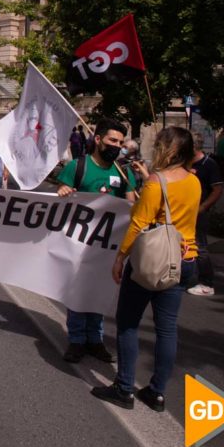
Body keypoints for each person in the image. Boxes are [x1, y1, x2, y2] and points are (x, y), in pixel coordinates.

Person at [91, 127, 200, 412]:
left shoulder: (156, 182)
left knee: (128, 323)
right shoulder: (194, 181)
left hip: (152, 260)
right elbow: (174, 213)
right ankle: (156, 392)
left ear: (171, 151)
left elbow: (139, 223)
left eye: (160, 145)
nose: (156, 149)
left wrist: (120, 258)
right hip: (184, 260)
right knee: (167, 329)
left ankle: (124, 387)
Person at [56, 118, 137, 365]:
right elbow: (59, 200)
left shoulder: (123, 171)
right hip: (79, 243)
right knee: (78, 290)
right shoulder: (77, 167)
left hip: (108, 245)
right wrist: (63, 193)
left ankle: (95, 339)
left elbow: (131, 204)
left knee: (100, 291)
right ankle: (77, 340)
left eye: (121, 142)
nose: (117, 146)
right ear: (98, 139)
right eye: (113, 140)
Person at [187, 132, 223, 296]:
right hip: (184, 210)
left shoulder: (209, 164)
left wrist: (203, 207)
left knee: (200, 246)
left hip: (198, 211)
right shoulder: (184, 162)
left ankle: (206, 283)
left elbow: (217, 190)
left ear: (193, 146)